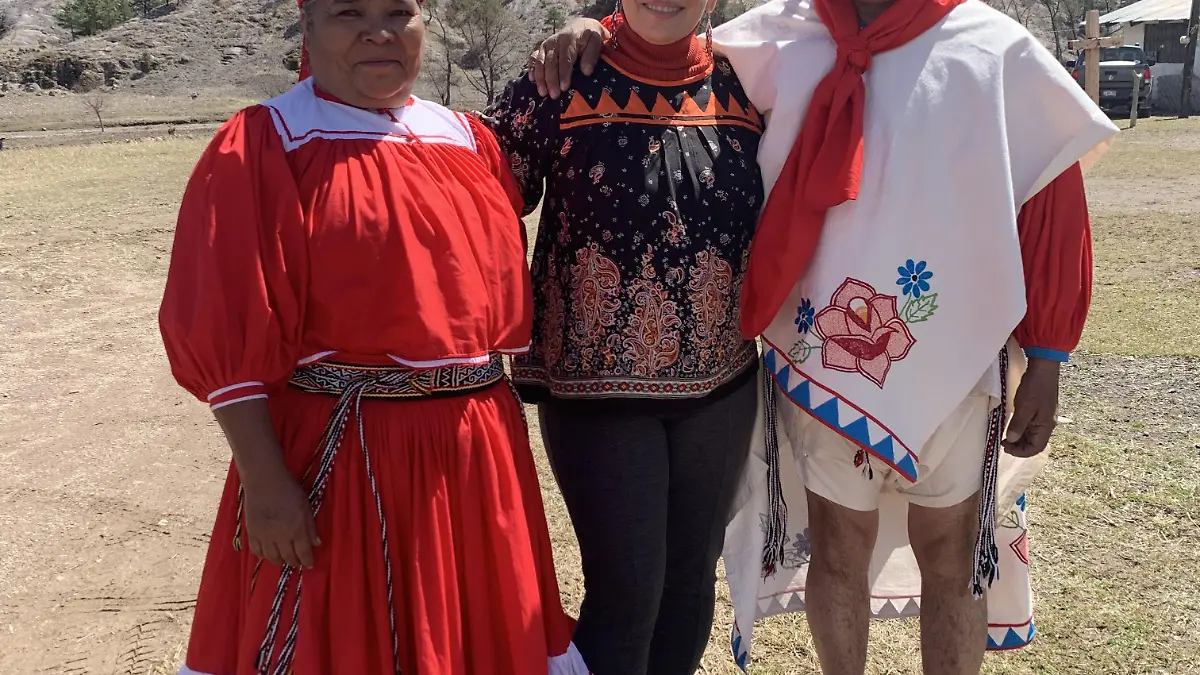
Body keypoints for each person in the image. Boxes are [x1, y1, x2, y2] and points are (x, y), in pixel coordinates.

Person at [528, 0, 1119, 673]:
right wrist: (593, 32)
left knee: (951, 554)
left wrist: (1048, 351)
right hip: (822, 358)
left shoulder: (994, 48)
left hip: (954, 364)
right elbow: (665, 40)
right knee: (837, 546)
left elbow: (1050, 197)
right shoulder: (780, 36)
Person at [157, 0, 589, 672]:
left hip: (476, 453)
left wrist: (595, 26)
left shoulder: (470, 141)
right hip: (350, 461)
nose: (377, 30)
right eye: (347, 12)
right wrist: (264, 483)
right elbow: (223, 327)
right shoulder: (267, 143)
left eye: (398, 10)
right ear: (306, 28)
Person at [476, 1, 765, 673]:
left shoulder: (750, 80)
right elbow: (479, 187)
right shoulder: (562, 76)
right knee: (628, 595)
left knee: (690, 591)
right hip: (595, 390)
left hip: (722, 387)